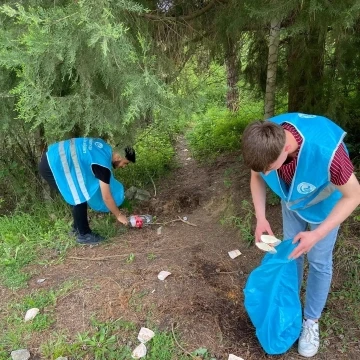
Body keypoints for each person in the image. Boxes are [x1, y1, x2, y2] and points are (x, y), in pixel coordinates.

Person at [241, 113, 360, 358]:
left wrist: (317, 234)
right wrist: (261, 217)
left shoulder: (329, 153)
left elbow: (355, 195)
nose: (266, 172)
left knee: (318, 261)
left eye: (270, 168)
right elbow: (257, 174)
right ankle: (290, 306)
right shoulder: (266, 137)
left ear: (286, 147)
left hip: (325, 208)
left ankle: (311, 321)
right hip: (293, 201)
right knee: (291, 253)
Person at [39, 137, 136, 245]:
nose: (123, 166)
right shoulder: (102, 165)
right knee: (78, 196)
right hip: (53, 165)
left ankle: (76, 229)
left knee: (79, 193)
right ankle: (84, 235)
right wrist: (118, 215)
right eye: (125, 163)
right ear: (118, 156)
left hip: (53, 156)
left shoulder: (103, 146)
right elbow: (106, 197)